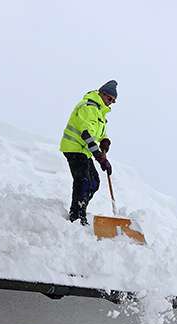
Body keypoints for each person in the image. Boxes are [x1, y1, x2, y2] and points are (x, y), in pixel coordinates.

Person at [60, 80, 117, 225]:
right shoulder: (88, 107)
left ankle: (80, 209)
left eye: (113, 101)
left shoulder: (100, 112)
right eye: (109, 98)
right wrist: (100, 157)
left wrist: (105, 141)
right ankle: (77, 215)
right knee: (83, 181)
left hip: (83, 151)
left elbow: (99, 133)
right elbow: (87, 134)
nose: (111, 102)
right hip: (73, 148)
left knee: (94, 182)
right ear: (102, 93)